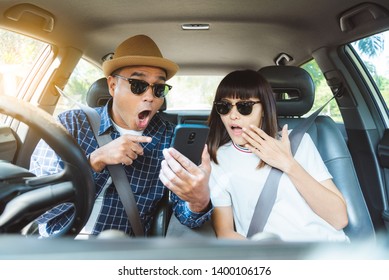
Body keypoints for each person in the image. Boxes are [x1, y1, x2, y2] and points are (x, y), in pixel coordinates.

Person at [30, 34, 212, 237]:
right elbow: (38, 211)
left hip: (121, 253)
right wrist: (94, 162)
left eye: (159, 88)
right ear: (112, 86)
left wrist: (198, 201)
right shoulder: (69, 125)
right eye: (138, 85)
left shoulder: (168, 139)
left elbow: (185, 216)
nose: (150, 96)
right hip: (59, 249)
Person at [207, 69, 349, 242]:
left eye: (244, 106)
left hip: (328, 251)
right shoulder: (219, 158)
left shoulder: (299, 142)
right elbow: (225, 232)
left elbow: (339, 218)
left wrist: (288, 164)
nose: (233, 115)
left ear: (264, 109)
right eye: (224, 106)